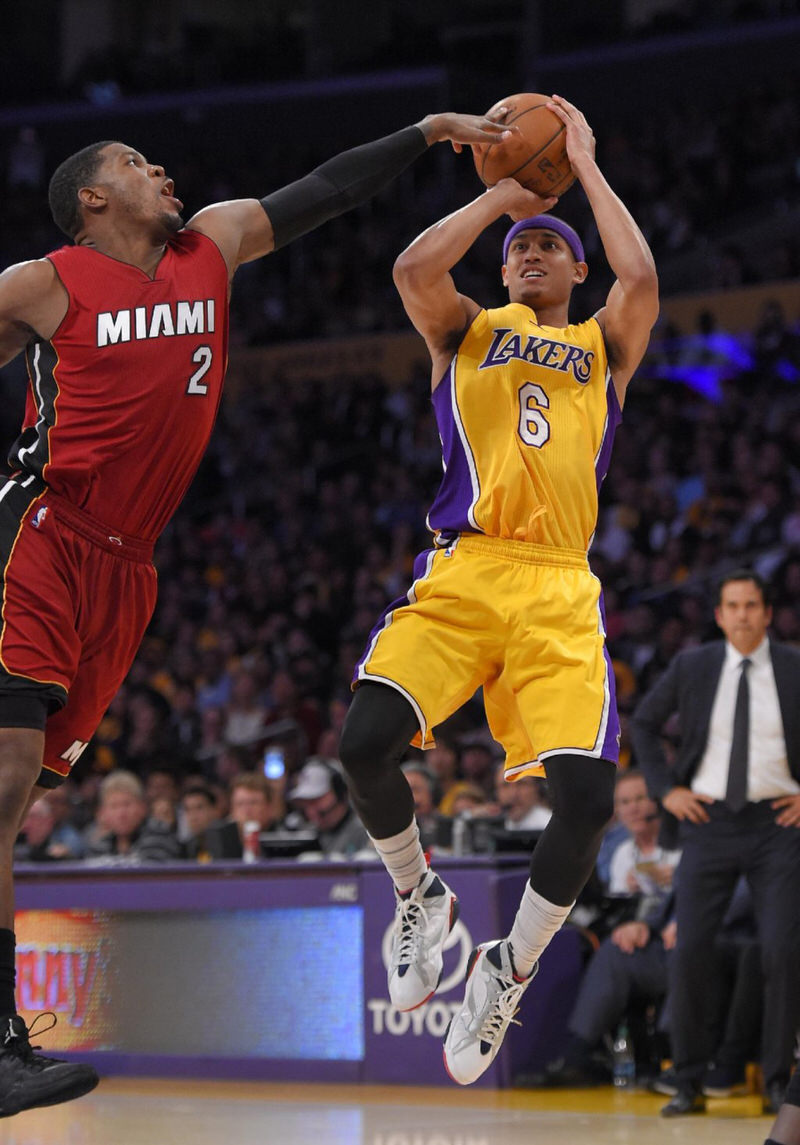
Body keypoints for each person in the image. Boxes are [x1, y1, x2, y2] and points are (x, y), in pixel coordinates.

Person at [0, 108, 510, 1115]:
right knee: (6, 777)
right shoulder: (44, 281)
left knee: (18, 802)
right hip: (42, 538)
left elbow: (324, 192)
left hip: (129, 570)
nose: (161, 169)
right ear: (92, 199)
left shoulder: (214, 242)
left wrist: (421, 134)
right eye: (137, 164)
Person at [338, 93, 658, 1086]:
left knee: (585, 795)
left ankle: (505, 966)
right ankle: (420, 896)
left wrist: (585, 162)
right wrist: (501, 198)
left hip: (559, 584)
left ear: (575, 268)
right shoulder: (464, 329)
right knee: (361, 744)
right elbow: (408, 268)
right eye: (518, 246)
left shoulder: (602, 344)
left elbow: (640, 274)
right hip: (467, 563)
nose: (528, 251)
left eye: (547, 244)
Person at [631, 570, 800, 1116]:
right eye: (734, 605)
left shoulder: (795, 668)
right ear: (720, 615)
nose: (744, 614)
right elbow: (643, 725)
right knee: (690, 952)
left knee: (781, 952)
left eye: (753, 604)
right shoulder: (693, 665)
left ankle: (777, 1081)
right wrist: (666, 790)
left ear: (768, 613)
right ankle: (687, 1081)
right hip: (707, 821)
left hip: (778, 824)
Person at [288, 758, 370, 857]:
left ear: (340, 792)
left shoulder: (366, 831)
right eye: (305, 802)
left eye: (316, 799)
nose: (311, 811)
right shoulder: (300, 831)